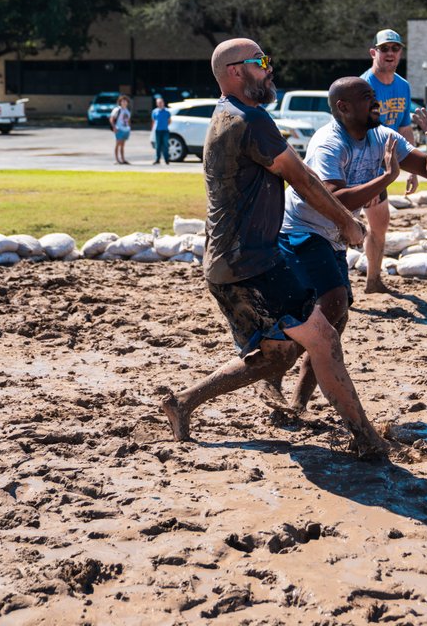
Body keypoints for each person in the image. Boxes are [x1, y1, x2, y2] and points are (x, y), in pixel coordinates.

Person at [160, 38, 390, 457]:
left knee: (277, 354)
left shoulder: (228, 113)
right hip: (250, 263)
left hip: (232, 263)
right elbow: (302, 178)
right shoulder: (249, 118)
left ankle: (183, 402)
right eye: (261, 61)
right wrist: (346, 222)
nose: (269, 68)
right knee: (323, 339)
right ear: (235, 71)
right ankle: (367, 440)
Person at [272, 76, 427, 411]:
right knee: (335, 303)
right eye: (367, 97)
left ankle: (296, 403)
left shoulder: (383, 136)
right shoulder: (329, 142)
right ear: (343, 107)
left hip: (334, 234)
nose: (376, 102)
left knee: (335, 318)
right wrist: (386, 178)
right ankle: (274, 361)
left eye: (374, 96)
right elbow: (333, 197)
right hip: (301, 228)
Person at [359, 28, 417, 294]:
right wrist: (367, 177)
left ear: (400, 53)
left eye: (395, 48)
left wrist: (413, 169)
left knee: (380, 224)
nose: (390, 53)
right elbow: (354, 131)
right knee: (338, 227)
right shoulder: (363, 86)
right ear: (374, 52)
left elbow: (404, 128)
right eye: (384, 49)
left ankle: (373, 281)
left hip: (380, 167)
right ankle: (330, 286)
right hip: (354, 165)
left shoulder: (403, 86)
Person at [110, 95, 131, 165]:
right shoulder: (117, 109)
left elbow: (128, 120)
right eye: (123, 101)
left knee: (122, 145)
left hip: (126, 129)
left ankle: (123, 159)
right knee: (118, 144)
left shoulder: (127, 111)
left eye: (125, 101)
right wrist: (114, 127)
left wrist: (129, 128)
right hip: (119, 129)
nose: (124, 102)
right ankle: (117, 160)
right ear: (120, 102)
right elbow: (111, 119)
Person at [151, 96, 171, 164]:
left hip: (165, 130)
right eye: (158, 103)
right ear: (157, 104)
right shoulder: (154, 111)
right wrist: (152, 130)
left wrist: (165, 126)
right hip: (157, 130)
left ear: (163, 103)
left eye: (161, 102)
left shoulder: (167, 111)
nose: (160, 104)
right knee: (158, 145)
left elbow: (169, 121)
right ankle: (157, 159)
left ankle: (166, 159)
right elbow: (153, 121)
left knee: (165, 145)